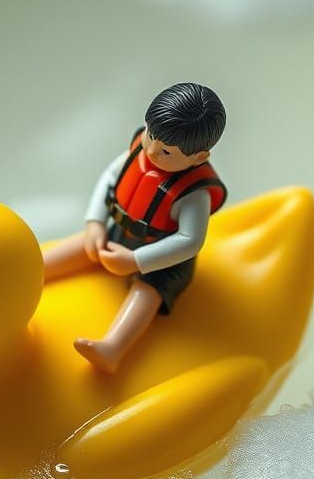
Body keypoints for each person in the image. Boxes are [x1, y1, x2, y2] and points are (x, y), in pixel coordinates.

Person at [44, 82, 228, 373]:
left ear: (198, 157)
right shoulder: (138, 152)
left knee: (148, 290)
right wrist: (94, 223)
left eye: (166, 151)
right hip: (120, 230)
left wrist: (135, 261)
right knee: (84, 243)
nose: (152, 150)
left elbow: (190, 241)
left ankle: (112, 348)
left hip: (162, 258)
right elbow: (109, 178)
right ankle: (34, 270)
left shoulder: (194, 193)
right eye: (150, 135)